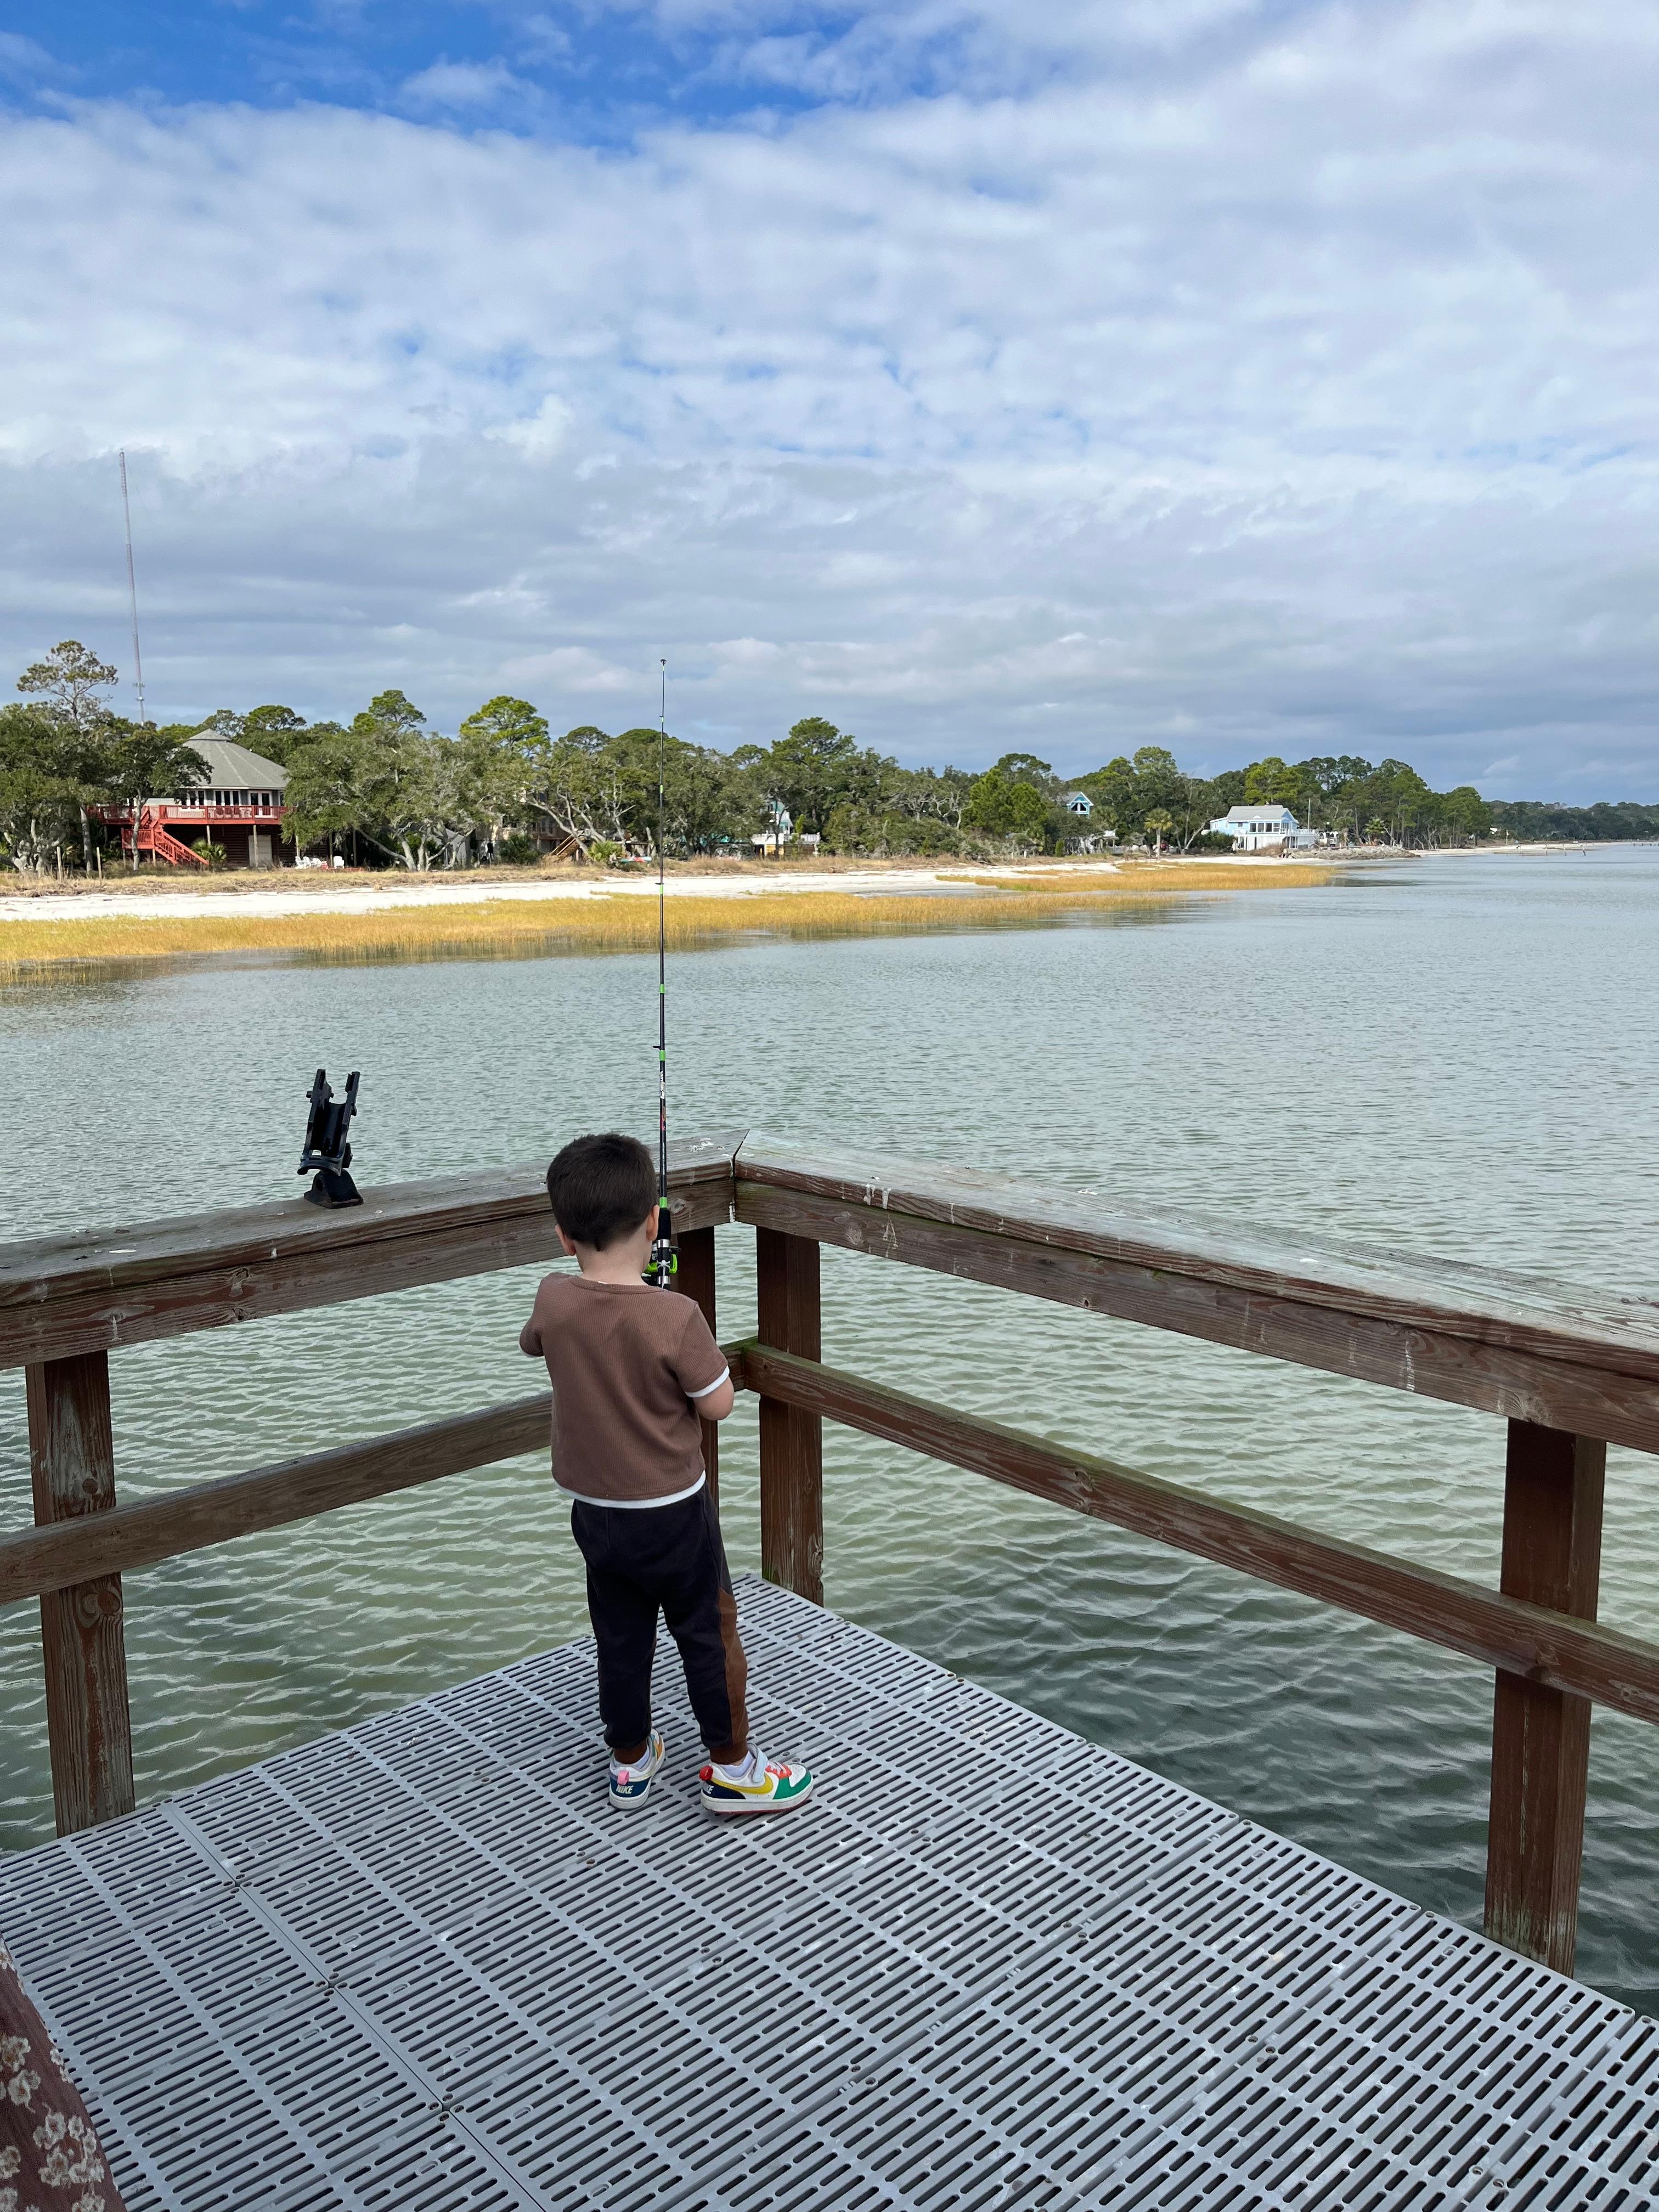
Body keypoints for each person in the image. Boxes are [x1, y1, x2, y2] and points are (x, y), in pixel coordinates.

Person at [520, 1131, 814, 1816]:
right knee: (708, 1634)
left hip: (597, 1515)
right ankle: (733, 1769)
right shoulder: (676, 1314)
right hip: (675, 1515)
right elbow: (718, 1404)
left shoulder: (553, 1298)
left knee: (620, 1637)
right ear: (654, 1224)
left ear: (564, 1236)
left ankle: (629, 1762)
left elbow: (535, 1342)